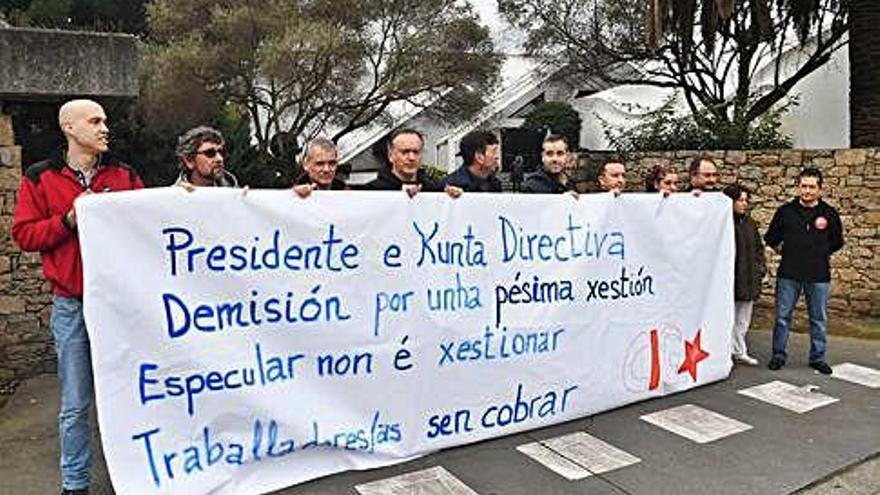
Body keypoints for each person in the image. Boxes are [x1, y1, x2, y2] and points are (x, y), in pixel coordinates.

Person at [11, 99, 144, 495]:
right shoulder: (38, 178)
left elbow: (149, 222)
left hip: (120, 308)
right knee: (75, 404)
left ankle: (137, 475)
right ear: (69, 128)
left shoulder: (124, 174)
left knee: (132, 394)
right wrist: (68, 221)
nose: (105, 128)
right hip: (72, 306)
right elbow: (24, 235)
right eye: (95, 121)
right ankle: (75, 484)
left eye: (105, 121)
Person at [764, 168, 844, 374]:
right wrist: (786, 250)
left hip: (818, 275)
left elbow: (837, 241)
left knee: (818, 318)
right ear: (798, 187)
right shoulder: (785, 212)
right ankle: (778, 355)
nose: (806, 191)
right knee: (782, 317)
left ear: (820, 189)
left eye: (811, 187)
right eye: (803, 186)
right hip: (788, 273)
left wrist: (819, 252)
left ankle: (818, 358)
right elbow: (771, 237)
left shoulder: (829, 214)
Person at [722, 184, 766, 365]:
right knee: (727, 319)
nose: (744, 204)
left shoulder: (749, 223)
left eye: (746, 200)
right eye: (740, 200)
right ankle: (725, 353)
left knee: (743, 319)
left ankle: (740, 351)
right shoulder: (723, 224)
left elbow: (758, 248)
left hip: (749, 278)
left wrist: (759, 268)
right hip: (732, 279)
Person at [364, 128, 461, 198]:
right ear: (390, 155)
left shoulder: (435, 191)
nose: (411, 158)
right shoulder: (370, 192)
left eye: (416, 152)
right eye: (404, 152)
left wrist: (456, 197)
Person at [174, 126, 238, 188]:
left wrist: (244, 197)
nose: (219, 158)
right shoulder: (171, 197)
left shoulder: (233, 192)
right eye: (209, 153)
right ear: (189, 160)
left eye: (221, 152)